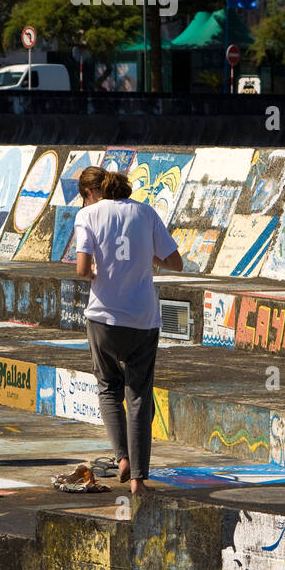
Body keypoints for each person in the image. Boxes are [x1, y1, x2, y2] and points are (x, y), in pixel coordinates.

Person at [74, 166, 183, 496]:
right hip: (142, 319)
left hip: (102, 318)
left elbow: (82, 270)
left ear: (90, 193)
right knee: (139, 397)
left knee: (108, 388)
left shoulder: (88, 215)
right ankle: (138, 479)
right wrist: (142, 258)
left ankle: (121, 457)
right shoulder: (146, 213)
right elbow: (175, 262)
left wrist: (99, 271)